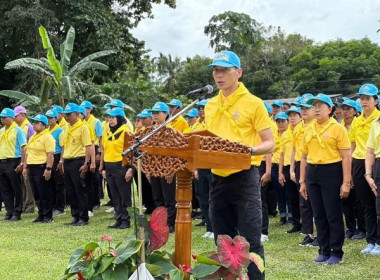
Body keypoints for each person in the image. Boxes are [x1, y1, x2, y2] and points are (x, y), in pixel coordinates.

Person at [205, 50, 274, 280]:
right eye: (216, 70)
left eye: (224, 70)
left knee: (251, 242)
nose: (219, 75)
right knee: (222, 241)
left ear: (239, 72)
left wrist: (246, 151)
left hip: (244, 177)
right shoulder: (210, 105)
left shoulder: (254, 104)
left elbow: (270, 143)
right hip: (218, 179)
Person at [299, 93, 351, 265]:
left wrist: (346, 182)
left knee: (332, 214)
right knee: (319, 214)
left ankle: (336, 251)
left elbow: (346, 157)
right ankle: (323, 249)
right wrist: (302, 181)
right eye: (315, 106)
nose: (317, 109)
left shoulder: (338, 129)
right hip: (313, 172)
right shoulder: (308, 128)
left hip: (332, 171)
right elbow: (304, 156)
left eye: (321, 106)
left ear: (330, 109)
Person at [349, 83, 380, 254]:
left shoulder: (378, 118)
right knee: (366, 204)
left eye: (368, 98)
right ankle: (371, 240)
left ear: (376, 100)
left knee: (378, 203)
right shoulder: (356, 120)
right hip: (360, 163)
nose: (364, 101)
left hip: (376, 161)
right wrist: (352, 170)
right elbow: (352, 145)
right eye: (361, 98)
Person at [289, 94, 318, 247]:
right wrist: (292, 169)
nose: (304, 111)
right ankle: (308, 233)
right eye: (302, 108)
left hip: (314, 164)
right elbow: (294, 149)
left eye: (307, 108)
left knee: (317, 202)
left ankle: (321, 234)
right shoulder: (298, 127)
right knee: (304, 201)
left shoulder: (317, 125)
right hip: (301, 164)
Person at [100, 107, 132, 229]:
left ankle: (126, 220)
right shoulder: (107, 132)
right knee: (114, 195)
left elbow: (131, 153)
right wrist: (103, 168)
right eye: (109, 118)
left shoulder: (126, 132)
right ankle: (119, 218)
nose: (110, 120)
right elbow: (105, 150)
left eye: (113, 118)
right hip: (109, 166)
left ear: (119, 118)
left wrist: (130, 169)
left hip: (121, 166)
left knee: (123, 194)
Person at [60, 103, 92, 226]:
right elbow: (65, 146)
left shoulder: (83, 128)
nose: (67, 116)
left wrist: (86, 163)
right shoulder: (67, 127)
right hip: (68, 161)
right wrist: (62, 161)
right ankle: (75, 216)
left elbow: (88, 146)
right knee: (71, 191)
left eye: (69, 114)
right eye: (66, 114)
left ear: (77, 114)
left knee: (79, 190)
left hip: (78, 161)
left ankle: (83, 217)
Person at [148, 101, 177, 233]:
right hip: (154, 168)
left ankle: (171, 223)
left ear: (166, 114)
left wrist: (171, 169)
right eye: (153, 113)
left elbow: (175, 152)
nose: (154, 115)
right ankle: (160, 222)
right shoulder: (150, 131)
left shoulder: (170, 130)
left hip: (167, 169)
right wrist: (148, 169)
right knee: (157, 197)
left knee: (169, 198)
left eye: (157, 113)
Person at [339, 99, 366, 239]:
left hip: (357, 162)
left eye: (348, 108)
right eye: (343, 108)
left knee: (359, 198)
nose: (345, 111)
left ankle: (361, 228)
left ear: (355, 111)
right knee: (345, 199)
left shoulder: (359, 123)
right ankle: (350, 227)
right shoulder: (339, 126)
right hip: (342, 164)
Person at [23, 114, 55, 223]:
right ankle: (41, 214)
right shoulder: (32, 137)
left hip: (41, 166)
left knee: (44, 192)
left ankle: (47, 215)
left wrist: (48, 168)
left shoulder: (47, 137)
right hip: (32, 166)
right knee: (36, 193)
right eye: (34, 123)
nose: (34, 125)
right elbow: (28, 153)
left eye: (37, 123)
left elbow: (50, 154)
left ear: (43, 125)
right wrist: (25, 167)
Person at [0, 108, 27, 221]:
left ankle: (17, 212)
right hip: (2, 161)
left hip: (13, 161)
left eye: (4, 118)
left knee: (16, 188)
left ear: (12, 118)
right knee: (5, 189)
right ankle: (9, 211)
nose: (2, 120)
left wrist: (22, 163)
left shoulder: (18, 130)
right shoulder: (1, 131)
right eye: (1, 118)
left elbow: (24, 148)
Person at [279, 106, 302, 233]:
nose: (292, 117)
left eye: (295, 115)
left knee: (302, 196)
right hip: (288, 167)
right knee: (292, 197)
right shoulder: (286, 134)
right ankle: (296, 223)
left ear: (300, 117)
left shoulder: (302, 130)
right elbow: (281, 155)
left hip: (301, 165)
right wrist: (281, 172)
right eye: (290, 115)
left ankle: (306, 222)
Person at [14, 105, 35, 213]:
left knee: (27, 183)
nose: (14, 118)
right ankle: (22, 204)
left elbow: (31, 144)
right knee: (21, 183)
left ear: (22, 115)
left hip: (28, 158)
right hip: (19, 157)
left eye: (16, 116)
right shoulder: (17, 127)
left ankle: (30, 206)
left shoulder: (29, 127)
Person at [364, 116, 380, 255]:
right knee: (378, 206)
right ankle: (377, 242)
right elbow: (370, 151)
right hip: (378, 165)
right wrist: (368, 174)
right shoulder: (376, 123)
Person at [45, 109, 66, 216]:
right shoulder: (47, 130)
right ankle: (52, 205)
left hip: (57, 156)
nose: (49, 120)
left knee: (59, 183)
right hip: (49, 156)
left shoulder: (60, 131)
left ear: (56, 118)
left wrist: (61, 161)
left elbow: (63, 147)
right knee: (50, 183)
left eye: (51, 118)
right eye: (47, 118)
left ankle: (60, 207)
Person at [273, 112, 291, 225]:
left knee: (288, 193)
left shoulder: (290, 134)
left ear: (287, 122)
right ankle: (283, 216)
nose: (280, 124)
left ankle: (291, 216)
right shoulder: (273, 134)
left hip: (286, 165)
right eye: (278, 122)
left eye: (283, 121)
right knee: (279, 192)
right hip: (275, 166)